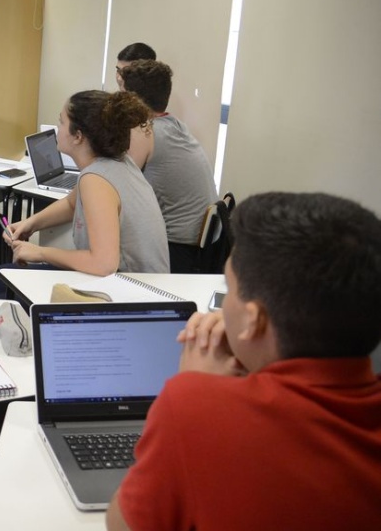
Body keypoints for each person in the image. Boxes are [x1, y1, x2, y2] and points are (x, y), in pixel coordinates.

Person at [107, 192, 381, 531]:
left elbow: (122, 524)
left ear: (253, 321)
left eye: (229, 287)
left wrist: (195, 386)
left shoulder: (194, 405)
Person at [0, 91, 168, 299]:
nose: (57, 129)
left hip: (129, 294)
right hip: (143, 286)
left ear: (78, 136)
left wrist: (40, 252)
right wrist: (30, 223)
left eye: (61, 123)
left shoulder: (96, 179)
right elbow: (72, 204)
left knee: (0, 280)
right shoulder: (119, 162)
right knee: (1, 278)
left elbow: (103, 264)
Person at [120, 60, 217, 272]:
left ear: (131, 99)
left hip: (179, 253)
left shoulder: (144, 133)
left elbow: (119, 188)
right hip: (203, 248)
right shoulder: (174, 125)